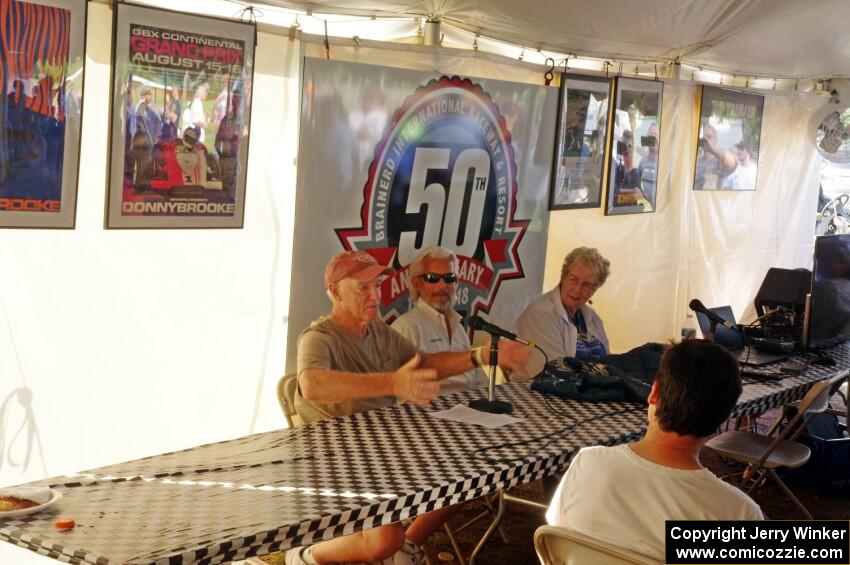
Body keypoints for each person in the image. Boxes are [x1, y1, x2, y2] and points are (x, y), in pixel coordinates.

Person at [288, 250, 530, 565]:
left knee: (472, 468)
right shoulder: (318, 338)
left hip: (381, 445)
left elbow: (425, 363)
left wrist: (481, 356)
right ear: (335, 292)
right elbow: (312, 385)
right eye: (363, 288)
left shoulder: (378, 331)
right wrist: (392, 383)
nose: (375, 295)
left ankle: (406, 545)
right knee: (384, 539)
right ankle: (306, 555)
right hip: (337, 454)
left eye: (376, 286)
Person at [546, 339, 764, 561]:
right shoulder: (738, 512)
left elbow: (557, 534)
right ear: (723, 418)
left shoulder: (587, 463)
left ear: (654, 393)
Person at [392, 247, 488, 396]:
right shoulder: (406, 327)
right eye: (432, 278)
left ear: (456, 283)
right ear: (417, 283)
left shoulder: (459, 328)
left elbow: (479, 382)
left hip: (468, 408)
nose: (443, 286)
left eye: (449, 278)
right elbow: (398, 391)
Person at [514, 247, 610, 379]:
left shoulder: (592, 317)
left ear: (594, 290)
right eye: (573, 279)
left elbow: (609, 364)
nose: (577, 289)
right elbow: (555, 373)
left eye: (586, 285)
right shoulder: (540, 315)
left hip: (591, 391)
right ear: (563, 277)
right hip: (544, 395)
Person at [694, 124, 736, 189]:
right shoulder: (697, 160)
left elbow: (732, 163)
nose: (706, 140)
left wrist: (712, 150)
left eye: (709, 137)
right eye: (704, 137)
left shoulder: (719, 159)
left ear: (715, 140)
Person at [611, 130, 643, 207]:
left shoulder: (636, 174)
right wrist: (632, 190)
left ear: (633, 148)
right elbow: (613, 190)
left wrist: (621, 191)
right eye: (624, 145)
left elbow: (638, 195)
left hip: (629, 215)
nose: (627, 149)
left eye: (629, 146)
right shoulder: (616, 169)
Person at [637, 123, 659, 204]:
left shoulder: (663, 162)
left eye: (655, 135)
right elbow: (637, 182)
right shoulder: (642, 161)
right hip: (645, 209)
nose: (652, 138)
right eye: (650, 135)